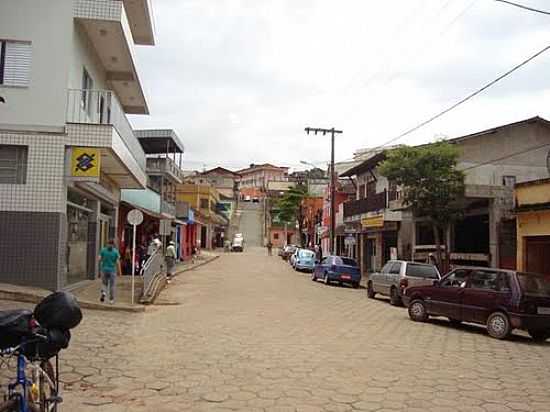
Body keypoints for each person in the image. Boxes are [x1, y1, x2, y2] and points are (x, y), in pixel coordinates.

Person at [98, 239, 121, 304]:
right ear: (113, 245)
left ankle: (103, 292)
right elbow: (117, 262)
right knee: (112, 285)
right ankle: (111, 300)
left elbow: (99, 259)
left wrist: (101, 266)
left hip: (104, 269)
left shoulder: (103, 250)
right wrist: (119, 271)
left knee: (104, 283)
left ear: (107, 243)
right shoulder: (115, 252)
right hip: (112, 270)